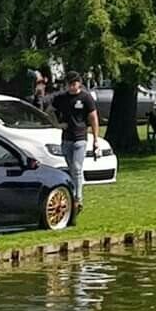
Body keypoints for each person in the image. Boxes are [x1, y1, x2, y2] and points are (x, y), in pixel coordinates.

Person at [52, 73, 101, 210]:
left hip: (80, 137)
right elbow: (50, 110)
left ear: (79, 83)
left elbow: (93, 118)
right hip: (66, 137)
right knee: (70, 168)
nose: (72, 87)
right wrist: (57, 124)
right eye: (69, 84)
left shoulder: (86, 98)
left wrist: (96, 139)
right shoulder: (61, 98)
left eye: (74, 84)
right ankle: (72, 194)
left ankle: (78, 198)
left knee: (77, 168)